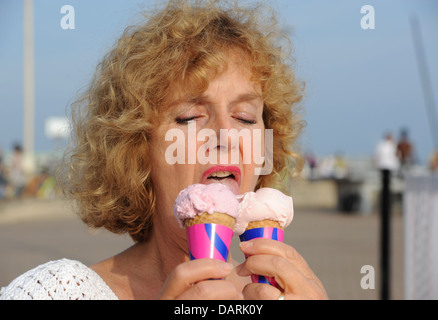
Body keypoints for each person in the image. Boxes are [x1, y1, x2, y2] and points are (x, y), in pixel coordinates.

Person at [0, 0, 327, 300]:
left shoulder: (288, 294)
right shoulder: (59, 291)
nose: (226, 136)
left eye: (245, 117)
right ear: (138, 151)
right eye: (189, 118)